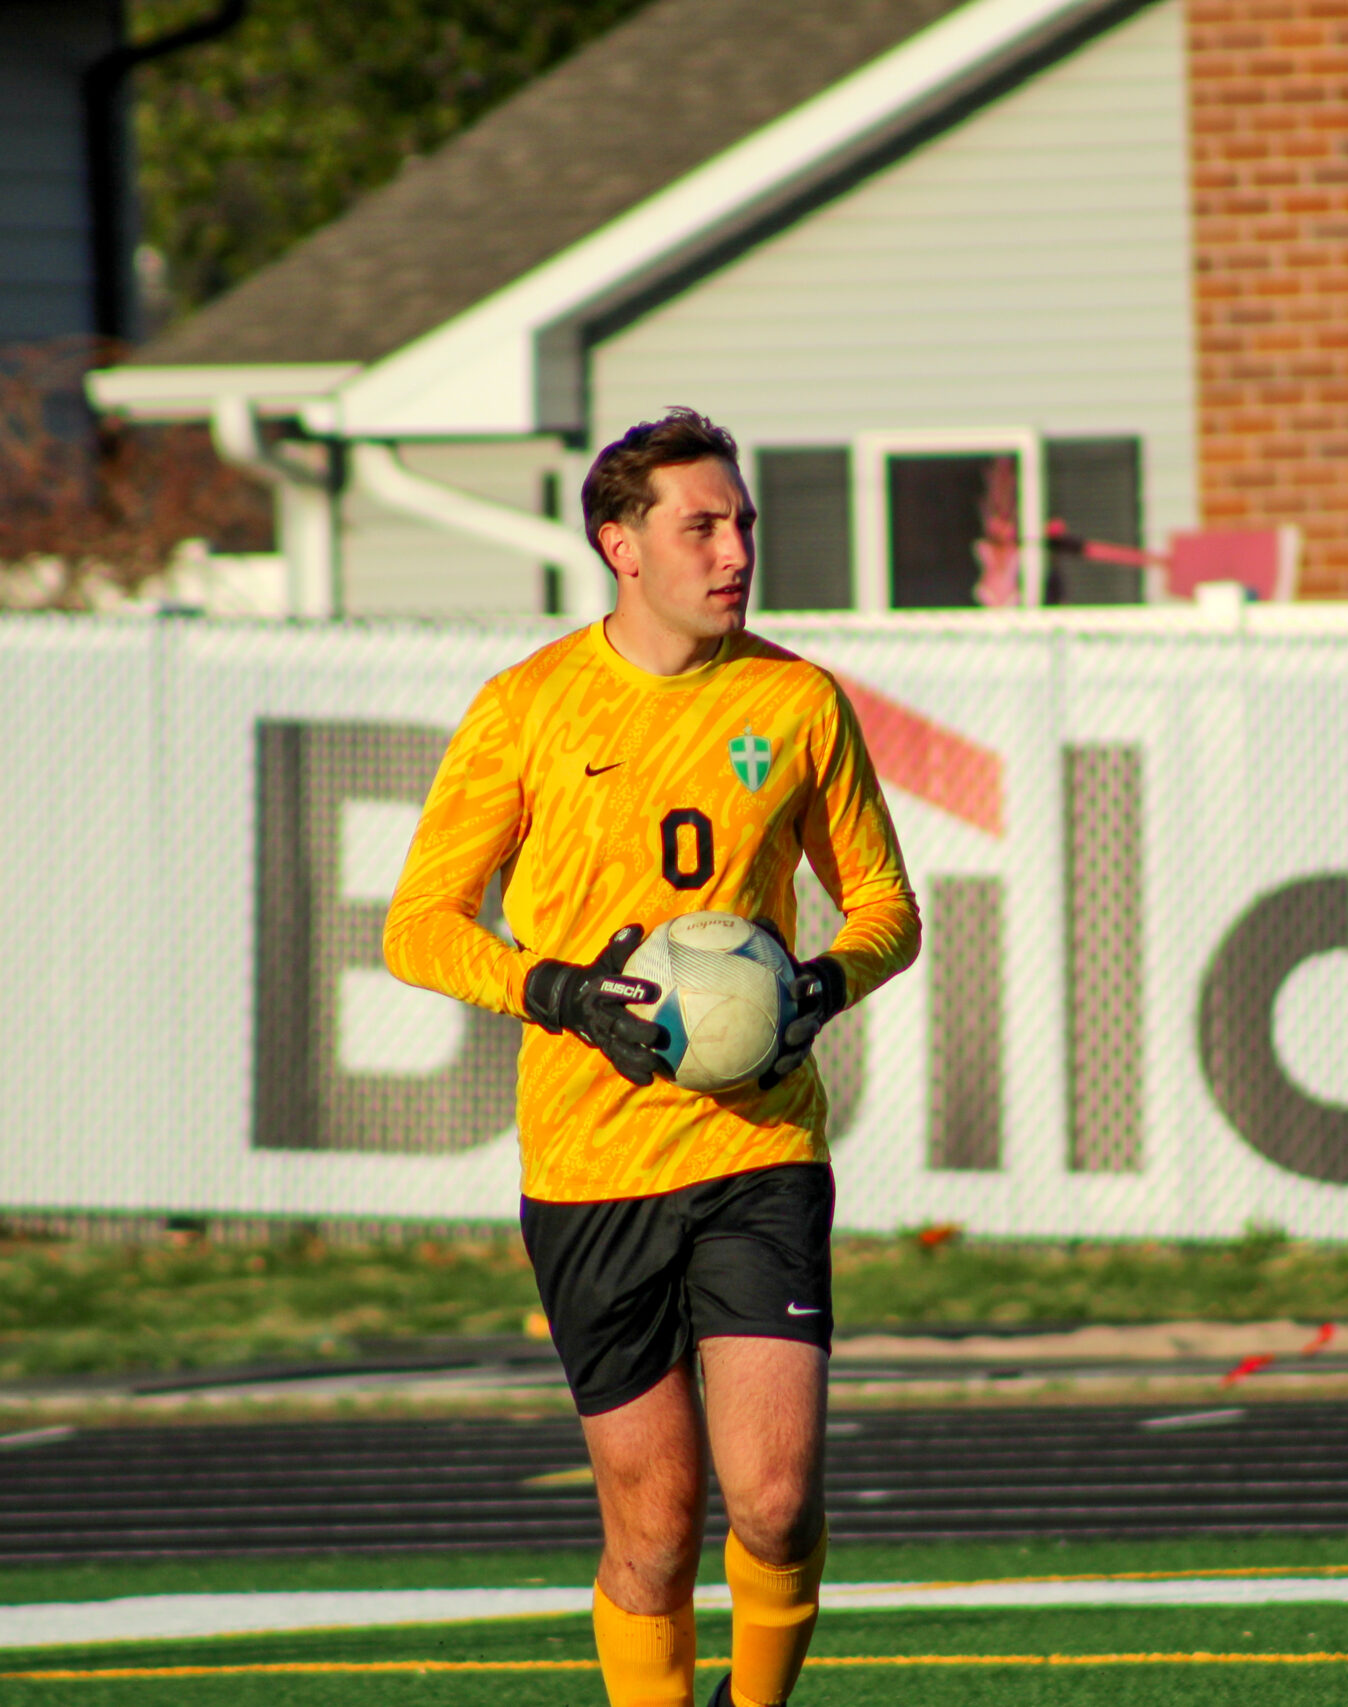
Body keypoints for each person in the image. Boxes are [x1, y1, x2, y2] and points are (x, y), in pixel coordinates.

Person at [385, 407, 920, 1707]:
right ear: (621, 544)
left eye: (743, 523)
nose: (735, 550)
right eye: (702, 526)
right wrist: (559, 990)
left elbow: (886, 908)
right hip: (590, 1170)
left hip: (759, 1148)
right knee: (654, 1532)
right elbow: (417, 926)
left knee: (776, 1500)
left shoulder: (796, 700)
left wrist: (819, 984)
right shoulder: (526, 707)